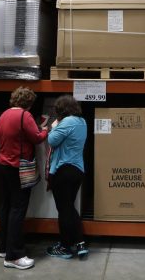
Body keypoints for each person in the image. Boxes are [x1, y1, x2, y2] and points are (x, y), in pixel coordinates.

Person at [0, 87, 48, 270]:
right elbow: (37, 137)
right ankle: (14, 256)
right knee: (18, 208)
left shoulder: (4, 115)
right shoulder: (25, 116)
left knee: (6, 206)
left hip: (2, 164)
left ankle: (4, 247)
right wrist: (46, 129)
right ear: (30, 103)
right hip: (17, 167)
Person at [46, 95, 88, 259]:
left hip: (64, 170)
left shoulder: (67, 122)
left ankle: (65, 247)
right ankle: (79, 243)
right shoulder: (82, 122)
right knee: (69, 207)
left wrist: (54, 125)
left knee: (64, 210)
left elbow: (52, 140)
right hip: (77, 170)